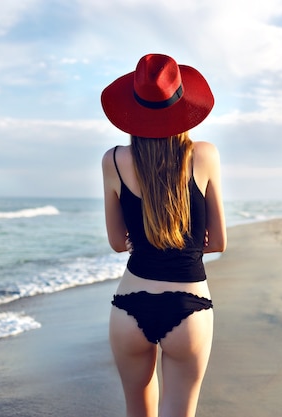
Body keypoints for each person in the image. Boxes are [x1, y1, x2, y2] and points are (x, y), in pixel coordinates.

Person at [100, 53, 226, 417]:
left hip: (130, 306)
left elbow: (116, 242)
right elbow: (218, 242)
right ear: (182, 105)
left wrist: (147, 238)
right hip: (189, 307)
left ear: (132, 110)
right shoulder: (204, 154)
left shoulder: (113, 160)